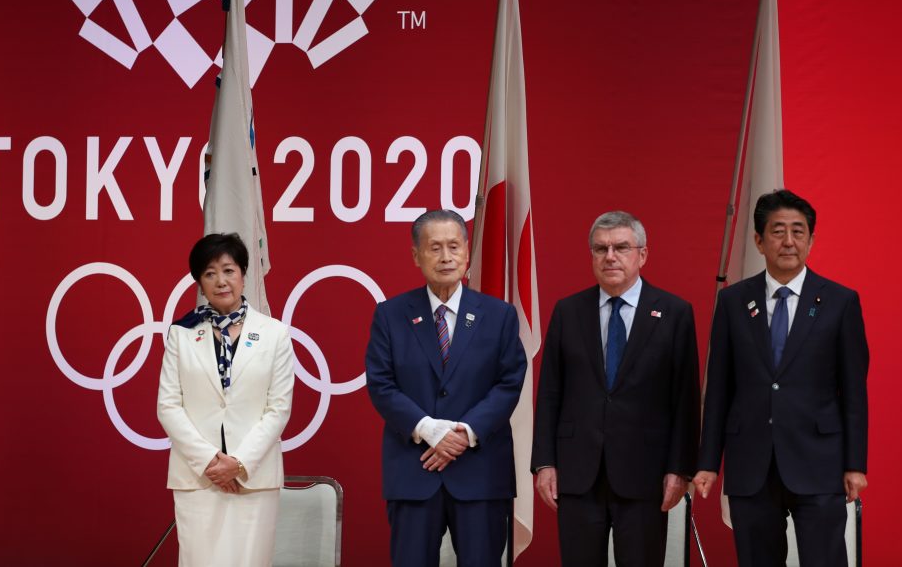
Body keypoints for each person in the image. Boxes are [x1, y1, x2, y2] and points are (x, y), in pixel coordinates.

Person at [694, 189, 869, 567]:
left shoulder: (840, 302)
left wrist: (855, 464)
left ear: (811, 239)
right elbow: (719, 388)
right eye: (777, 231)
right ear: (758, 240)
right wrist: (708, 461)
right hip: (751, 464)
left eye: (798, 231)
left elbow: (854, 391)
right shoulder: (733, 302)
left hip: (819, 462)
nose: (788, 241)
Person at [531, 211, 700, 567]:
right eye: (600, 248)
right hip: (578, 473)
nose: (610, 256)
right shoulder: (567, 311)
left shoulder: (674, 312)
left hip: (645, 475)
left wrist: (680, 468)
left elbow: (685, 400)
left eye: (621, 247)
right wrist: (544, 462)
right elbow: (549, 394)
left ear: (642, 255)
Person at [365, 209, 527, 567]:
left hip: (480, 473)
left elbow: (509, 381)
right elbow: (381, 383)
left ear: (467, 253)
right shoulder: (390, 315)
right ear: (416, 255)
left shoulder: (499, 315)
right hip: (414, 470)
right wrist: (430, 429)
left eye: (454, 246)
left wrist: (464, 432)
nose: (446, 257)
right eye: (434, 247)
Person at [157, 233, 295, 566]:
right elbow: (168, 406)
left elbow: (278, 408)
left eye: (228, 270)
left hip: (254, 477)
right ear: (199, 282)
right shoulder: (182, 334)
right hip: (199, 477)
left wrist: (239, 463)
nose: (221, 281)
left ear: (243, 274)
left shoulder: (275, 333)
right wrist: (210, 462)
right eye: (209, 273)